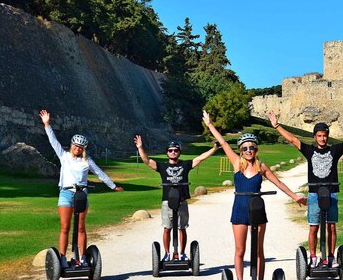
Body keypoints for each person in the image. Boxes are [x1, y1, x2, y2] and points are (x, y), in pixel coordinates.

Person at [203, 110, 306, 280]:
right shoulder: (236, 164)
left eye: (251, 148)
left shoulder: (261, 166)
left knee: (259, 251)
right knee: (240, 250)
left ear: (256, 149)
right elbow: (224, 143)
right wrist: (210, 125)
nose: (248, 151)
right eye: (245, 148)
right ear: (240, 150)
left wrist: (295, 196)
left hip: (258, 211)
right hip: (240, 210)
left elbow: (279, 183)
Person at [268, 111, 343, 268]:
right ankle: (313, 257)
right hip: (314, 194)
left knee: (331, 226)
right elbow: (292, 139)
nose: (322, 138)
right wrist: (277, 126)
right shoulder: (309, 151)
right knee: (314, 227)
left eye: (325, 135)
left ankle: (331, 257)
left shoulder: (334, 150)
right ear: (315, 137)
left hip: (331, 193)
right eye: (319, 136)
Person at [39, 109, 123, 268]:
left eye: (80, 147)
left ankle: (82, 258)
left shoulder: (87, 161)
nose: (77, 149)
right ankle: (63, 258)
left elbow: (99, 173)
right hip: (66, 193)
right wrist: (47, 124)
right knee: (65, 227)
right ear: (71, 146)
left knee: (81, 228)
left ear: (83, 148)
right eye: (75, 146)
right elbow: (52, 141)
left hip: (82, 195)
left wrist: (113, 186)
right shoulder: (64, 156)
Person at [133, 135, 218, 260]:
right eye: (170, 150)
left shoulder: (185, 164)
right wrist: (140, 147)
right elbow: (147, 161)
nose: (173, 152)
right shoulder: (162, 166)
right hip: (167, 202)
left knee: (182, 228)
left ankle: (182, 253)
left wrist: (215, 148)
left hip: (182, 201)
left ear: (179, 152)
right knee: (167, 228)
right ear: (167, 152)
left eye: (176, 150)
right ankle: (167, 253)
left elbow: (200, 158)